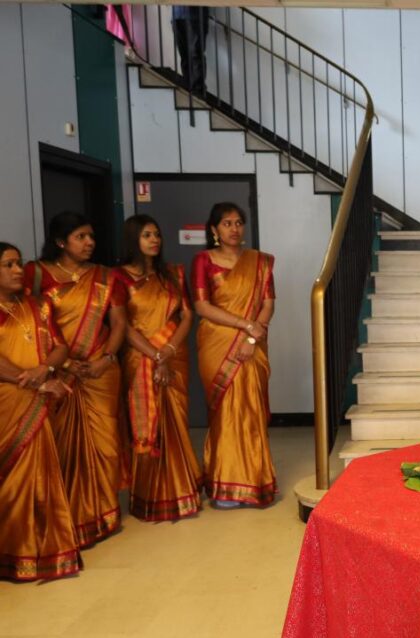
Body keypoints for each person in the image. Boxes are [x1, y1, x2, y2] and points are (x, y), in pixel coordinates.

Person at [24, 213, 128, 548]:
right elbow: (28, 320)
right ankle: (67, 516)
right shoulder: (36, 274)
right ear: (60, 241)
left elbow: (119, 322)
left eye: (91, 236)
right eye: (81, 236)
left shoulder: (105, 277)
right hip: (58, 372)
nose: (89, 243)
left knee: (105, 444)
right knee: (63, 446)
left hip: (100, 371)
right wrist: (63, 362)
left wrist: (105, 359)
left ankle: (104, 514)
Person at [0, 242, 81, 582]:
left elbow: (61, 346)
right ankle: (13, 551)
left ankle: (46, 550)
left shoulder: (38, 305)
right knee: (12, 481)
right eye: (8, 264)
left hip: (37, 394)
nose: (19, 270)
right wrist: (33, 381)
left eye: (19, 263)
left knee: (42, 477)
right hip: (9, 401)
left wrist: (44, 370)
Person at [116, 216, 202, 522]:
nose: (154, 240)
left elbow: (187, 316)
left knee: (175, 420)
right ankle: (149, 497)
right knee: (147, 427)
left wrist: (167, 351)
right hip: (140, 359)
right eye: (146, 235)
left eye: (156, 234)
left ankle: (183, 490)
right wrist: (154, 355)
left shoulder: (174, 273)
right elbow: (123, 326)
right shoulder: (119, 278)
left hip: (173, 355)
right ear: (133, 239)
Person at [191, 202, 277, 508]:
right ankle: (224, 484)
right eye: (227, 223)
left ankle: (253, 481)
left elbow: (268, 303)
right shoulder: (203, 260)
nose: (234, 228)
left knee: (250, 412)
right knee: (224, 414)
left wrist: (252, 337)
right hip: (217, 344)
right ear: (214, 229)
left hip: (252, 345)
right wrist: (245, 325)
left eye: (239, 222)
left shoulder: (260, 262)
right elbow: (202, 306)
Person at [172, 6, 210, 93]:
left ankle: (198, 90)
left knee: (195, 53)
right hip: (177, 15)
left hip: (196, 16)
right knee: (184, 55)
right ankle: (189, 86)